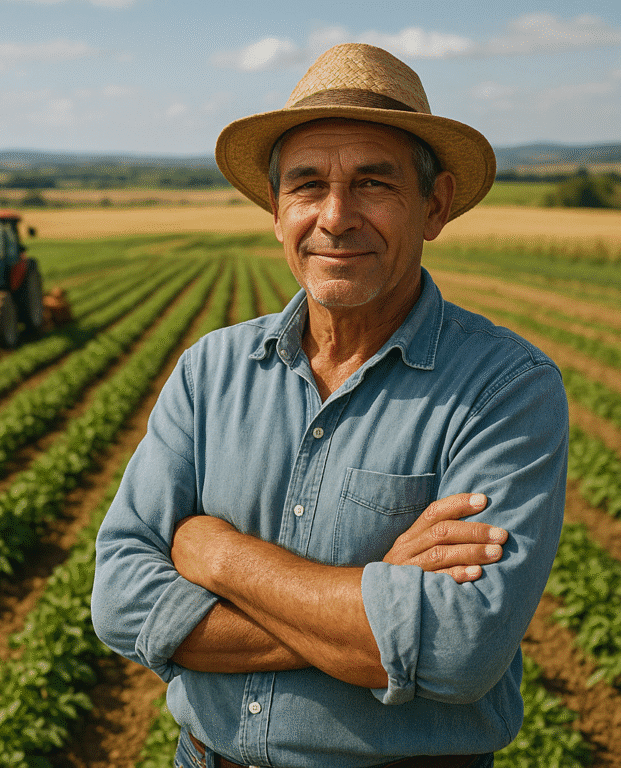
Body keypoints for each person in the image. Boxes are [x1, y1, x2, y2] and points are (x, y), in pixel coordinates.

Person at [91, 44, 568, 768]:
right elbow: (121, 598)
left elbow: (461, 649)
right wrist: (371, 617)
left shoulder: (505, 388)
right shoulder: (210, 371)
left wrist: (217, 554)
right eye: (307, 185)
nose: (336, 217)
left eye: (374, 183)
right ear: (277, 209)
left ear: (434, 205)